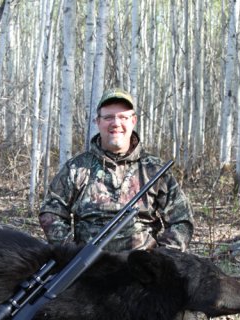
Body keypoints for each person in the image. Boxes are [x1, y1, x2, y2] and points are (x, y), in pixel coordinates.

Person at [39, 88, 194, 252]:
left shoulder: (155, 170)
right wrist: (70, 252)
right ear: (98, 122)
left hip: (141, 264)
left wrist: (160, 258)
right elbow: (51, 212)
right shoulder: (76, 168)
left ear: (133, 120)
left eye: (123, 117)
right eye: (108, 117)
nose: (116, 123)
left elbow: (182, 220)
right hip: (89, 263)